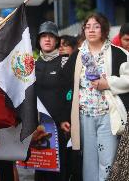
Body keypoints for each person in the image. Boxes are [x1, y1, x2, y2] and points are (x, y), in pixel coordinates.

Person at [65, 13, 129, 181]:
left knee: (107, 161)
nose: (91, 30)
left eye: (96, 26)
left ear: (104, 29)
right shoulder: (77, 56)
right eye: (88, 26)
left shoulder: (118, 53)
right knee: (89, 163)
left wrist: (108, 83)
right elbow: (64, 84)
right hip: (84, 116)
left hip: (108, 115)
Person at [34, 21, 70, 181]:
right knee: (40, 170)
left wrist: (65, 119)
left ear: (57, 41)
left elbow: (71, 93)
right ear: (38, 41)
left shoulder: (65, 61)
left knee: (59, 170)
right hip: (38, 127)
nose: (47, 39)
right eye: (43, 36)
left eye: (51, 36)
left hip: (59, 127)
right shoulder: (32, 64)